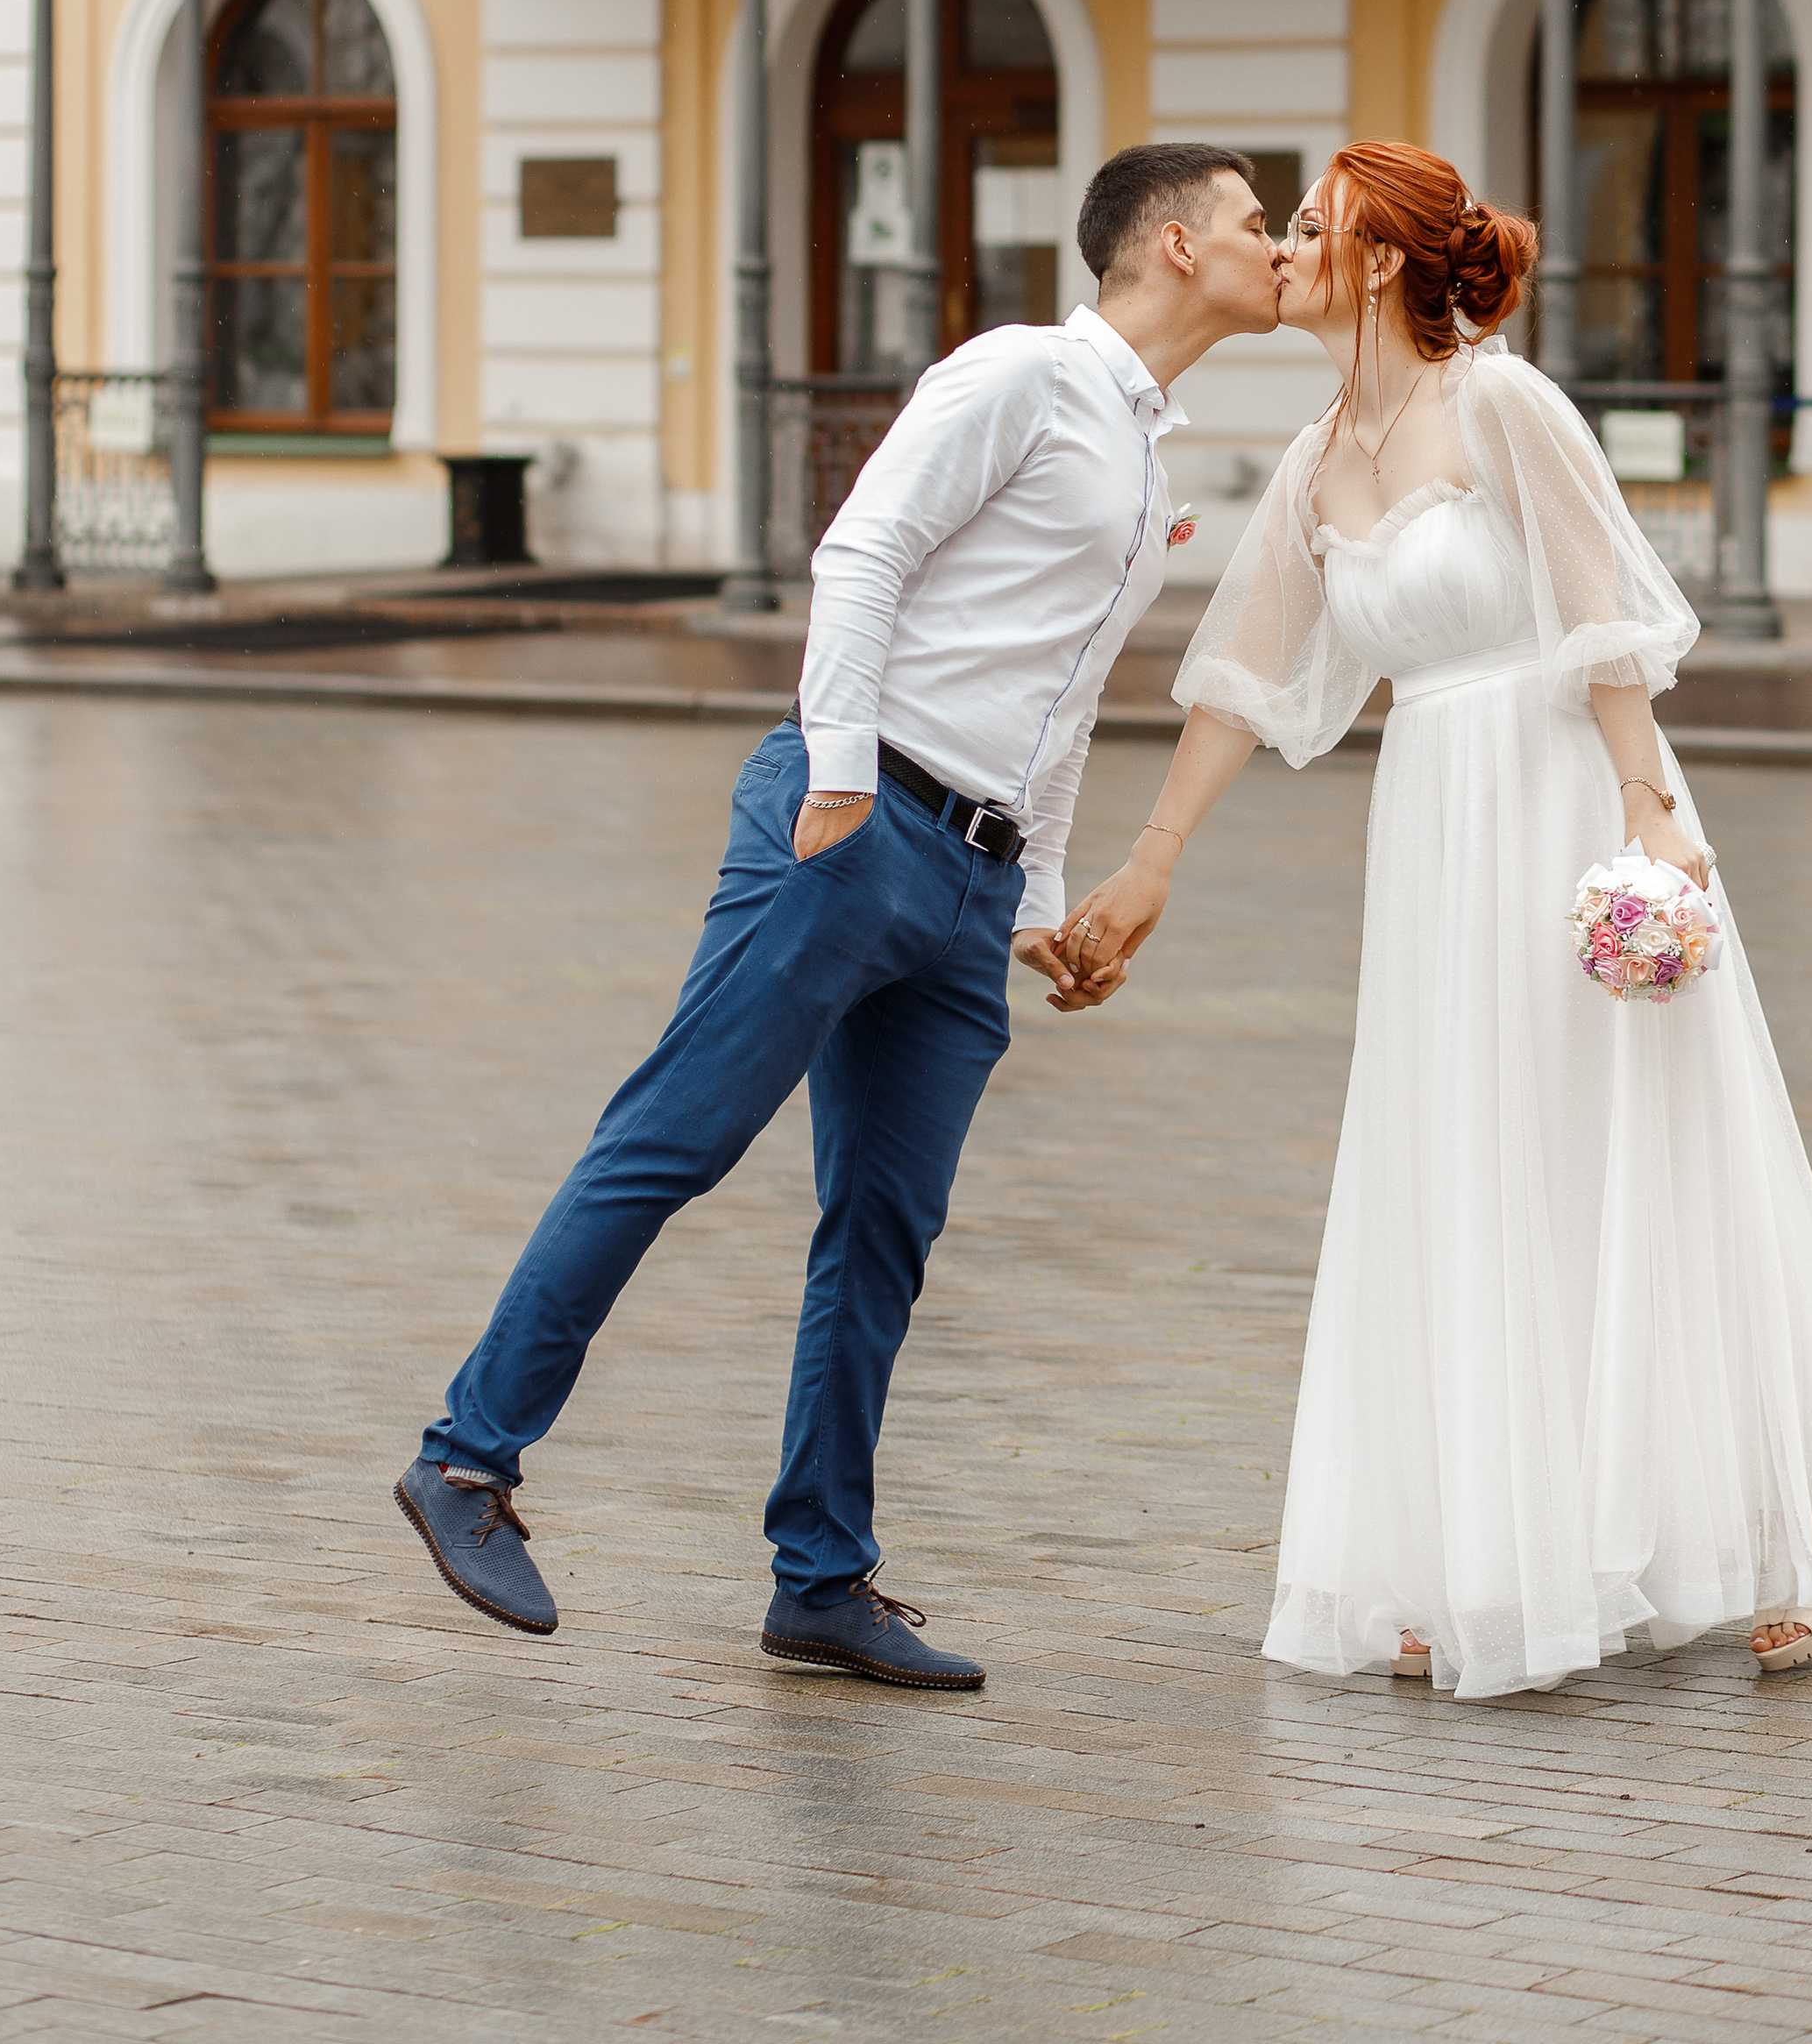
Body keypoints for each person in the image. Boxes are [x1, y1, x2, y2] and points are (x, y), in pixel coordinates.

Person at [1062, 140, 1812, 1699]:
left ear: (1383, 261)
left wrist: (1648, 813)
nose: (1287, 254)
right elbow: (1245, 679)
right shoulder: (1316, 455)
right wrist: (1152, 861)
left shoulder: (1504, 403)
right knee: (1468, 1162)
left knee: (1652, 1144)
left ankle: (1788, 1539)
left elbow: (1602, 607)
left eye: (1312, 230)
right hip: (1435, 831)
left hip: (1567, 794)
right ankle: (1480, 1557)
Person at [394, 142, 1279, 1690]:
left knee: (884, 1230)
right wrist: (839, 769)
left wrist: (1040, 904)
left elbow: (1065, 695)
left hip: (972, 882)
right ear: (1176, 242)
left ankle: (821, 1577)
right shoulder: (1020, 373)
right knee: (676, 1136)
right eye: (1259, 226)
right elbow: (863, 548)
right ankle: (467, 1459)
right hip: (854, 820)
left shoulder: (1151, 451)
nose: (1282, 250)